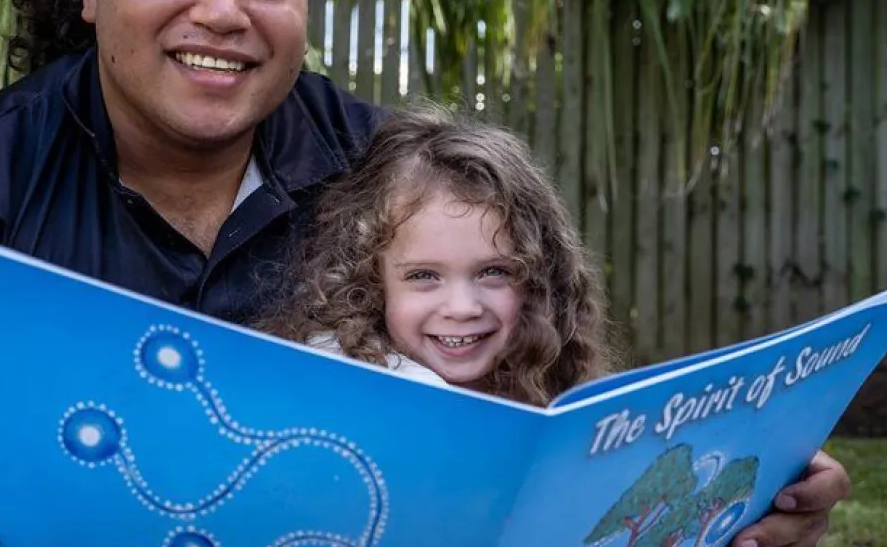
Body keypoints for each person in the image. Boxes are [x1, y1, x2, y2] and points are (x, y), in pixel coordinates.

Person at [0, 0, 849, 547]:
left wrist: (729, 496)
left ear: (304, 5)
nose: (224, 9)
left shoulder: (392, 175)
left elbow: (538, 399)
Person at [257, 105, 618, 407]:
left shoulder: (552, 387)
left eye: (493, 271)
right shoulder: (332, 388)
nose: (462, 308)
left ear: (538, 280)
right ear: (370, 282)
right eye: (424, 276)